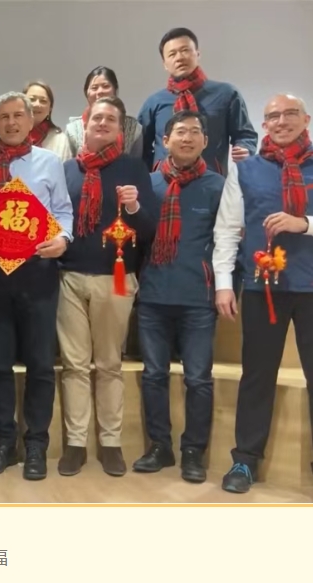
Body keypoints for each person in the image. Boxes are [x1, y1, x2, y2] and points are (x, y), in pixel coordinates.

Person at [0, 92, 73, 480]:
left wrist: (63, 239)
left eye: (17, 116)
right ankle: (3, 444)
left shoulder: (49, 162)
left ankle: (36, 446)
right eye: (4, 117)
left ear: (30, 121)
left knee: (41, 364)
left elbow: (63, 211)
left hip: (38, 273)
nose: (11, 123)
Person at [213, 94, 313, 494]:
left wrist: (304, 223)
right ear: (264, 124)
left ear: (306, 119)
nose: (281, 121)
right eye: (273, 116)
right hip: (262, 288)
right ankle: (245, 460)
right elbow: (226, 229)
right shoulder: (246, 170)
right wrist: (224, 283)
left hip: (310, 286)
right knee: (257, 376)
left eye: (290, 114)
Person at [56, 97, 158, 477]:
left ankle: (111, 442)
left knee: (109, 364)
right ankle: (75, 444)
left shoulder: (134, 168)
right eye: (96, 117)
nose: (102, 123)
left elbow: (149, 230)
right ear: (85, 124)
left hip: (115, 277)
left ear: (120, 129)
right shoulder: (68, 169)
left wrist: (132, 208)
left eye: (110, 119)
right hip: (68, 277)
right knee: (74, 365)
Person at [133, 110, 224, 483]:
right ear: (165, 140)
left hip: (198, 298)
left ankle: (193, 452)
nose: (187, 138)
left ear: (205, 141)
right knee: (154, 374)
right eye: (180, 132)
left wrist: (224, 288)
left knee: (199, 378)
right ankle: (160, 446)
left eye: (195, 132)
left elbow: (227, 243)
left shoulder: (218, 186)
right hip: (153, 296)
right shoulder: (148, 183)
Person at [138, 27, 258, 176]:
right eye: (172, 54)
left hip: (211, 181)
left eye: (185, 50)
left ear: (198, 54)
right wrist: (154, 171)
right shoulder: (154, 102)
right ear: (165, 63)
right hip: (164, 183)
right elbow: (140, 146)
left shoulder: (226, 94)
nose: (179, 58)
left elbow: (245, 134)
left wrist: (245, 148)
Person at [65, 66, 142, 158]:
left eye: (105, 86)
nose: (100, 91)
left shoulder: (133, 128)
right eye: (94, 88)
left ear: (115, 90)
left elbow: (137, 162)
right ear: (87, 93)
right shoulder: (72, 129)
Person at [23, 81, 72, 161]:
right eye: (32, 99)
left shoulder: (60, 139)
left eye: (43, 101)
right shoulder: (11, 134)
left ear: (50, 108)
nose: (37, 104)